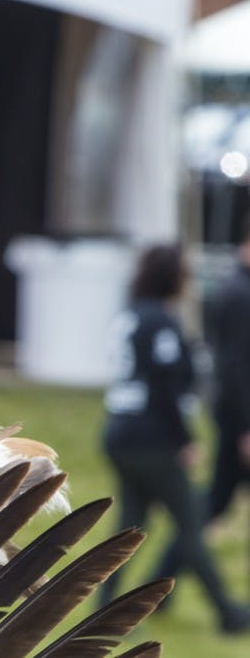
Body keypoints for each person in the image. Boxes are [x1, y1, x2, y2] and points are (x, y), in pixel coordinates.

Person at [98, 243, 249, 633]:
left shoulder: (133, 314)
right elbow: (164, 387)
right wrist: (184, 439)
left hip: (120, 432)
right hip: (150, 441)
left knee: (130, 527)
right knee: (192, 523)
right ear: (171, 278)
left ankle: (105, 608)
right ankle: (227, 613)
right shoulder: (160, 322)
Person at [206, 219, 250, 522]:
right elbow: (235, 367)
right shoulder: (240, 294)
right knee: (215, 502)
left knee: (215, 502)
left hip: (235, 416)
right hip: (238, 419)